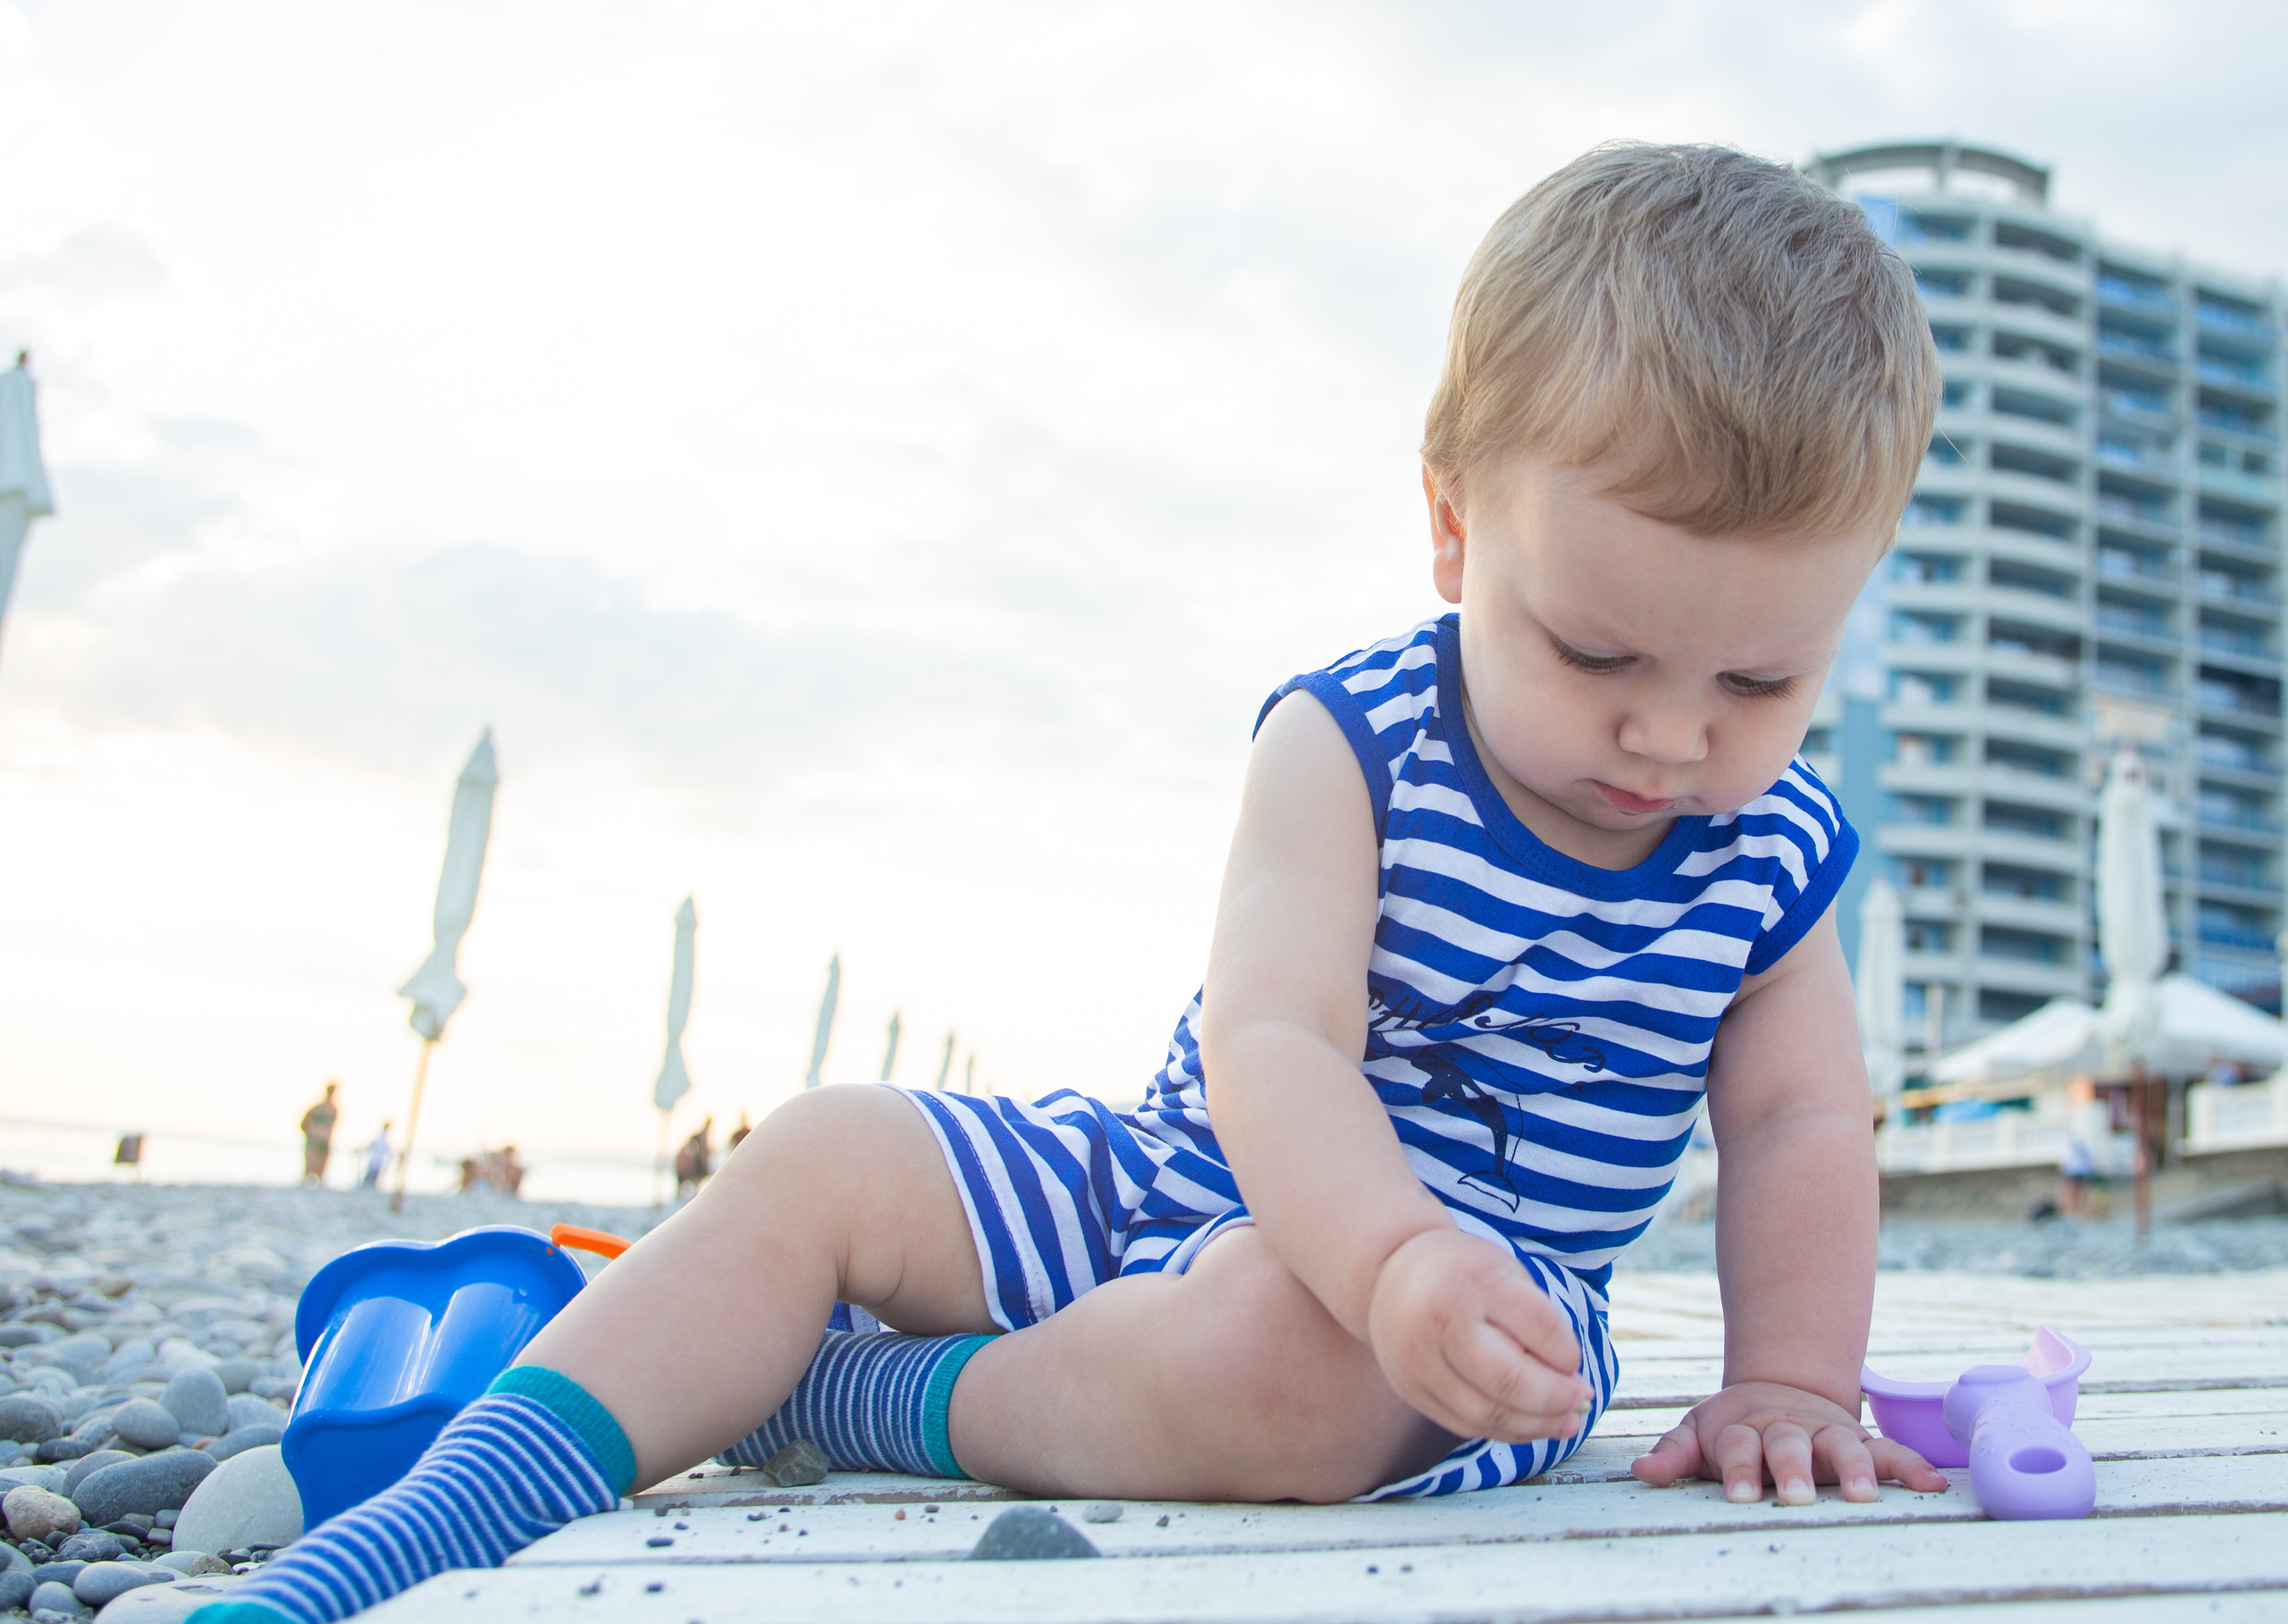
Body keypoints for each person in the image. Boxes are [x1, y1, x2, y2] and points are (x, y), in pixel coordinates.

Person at [199, 143, 1948, 1624]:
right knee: (827, 1145)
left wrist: (1785, 1378)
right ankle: (402, 1532)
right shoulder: (1352, 739)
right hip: (1150, 1178)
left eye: (1756, 685)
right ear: (1448, 524)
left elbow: (1797, 1127)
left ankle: (852, 1391)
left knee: (1295, 1374)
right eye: (1592, 648)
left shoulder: (1767, 853)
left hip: (1445, 1321)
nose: (1665, 732)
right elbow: (1274, 1039)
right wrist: (1379, 1229)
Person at [299, 1083, 340, 1187]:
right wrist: (310, 1134)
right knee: (310, 1167)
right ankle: (305, 1184)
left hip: (326, 1141)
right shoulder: (318, 1107)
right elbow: (303, 1122)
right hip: (315, 1139)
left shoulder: (334, 1109)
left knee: (321, 1167)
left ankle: (317, 1186)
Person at [673, 1120, 713, 1200]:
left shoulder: (705, 1135)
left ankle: (693, 1198)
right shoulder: (700, 1135)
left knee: (697, 1184)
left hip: (698, 1164)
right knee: (688, 1184)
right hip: (695, 1165)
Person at [359, 1123, 393, 1191]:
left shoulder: (380, 1140)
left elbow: (368, 1147)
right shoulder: (384, 1141)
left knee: (368, 1181)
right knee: (371, 1180)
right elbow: (390, 1154)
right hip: (377, 1163)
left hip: (374, 1162)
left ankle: (365, 1190)